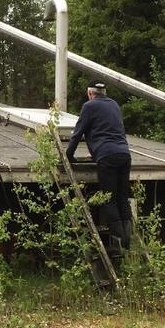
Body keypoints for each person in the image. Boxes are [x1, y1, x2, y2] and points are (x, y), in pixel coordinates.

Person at [65, 80, 133, 252]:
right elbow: (111, 129)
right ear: (104, 93)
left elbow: (78, 133)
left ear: (90, 93)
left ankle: (120, 242)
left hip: (107, 155)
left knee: (109, 199)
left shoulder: (89, 106)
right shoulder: (115, 105)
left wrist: (68, 156)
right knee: (122, 198)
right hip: (124, 154)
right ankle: (129, 242)